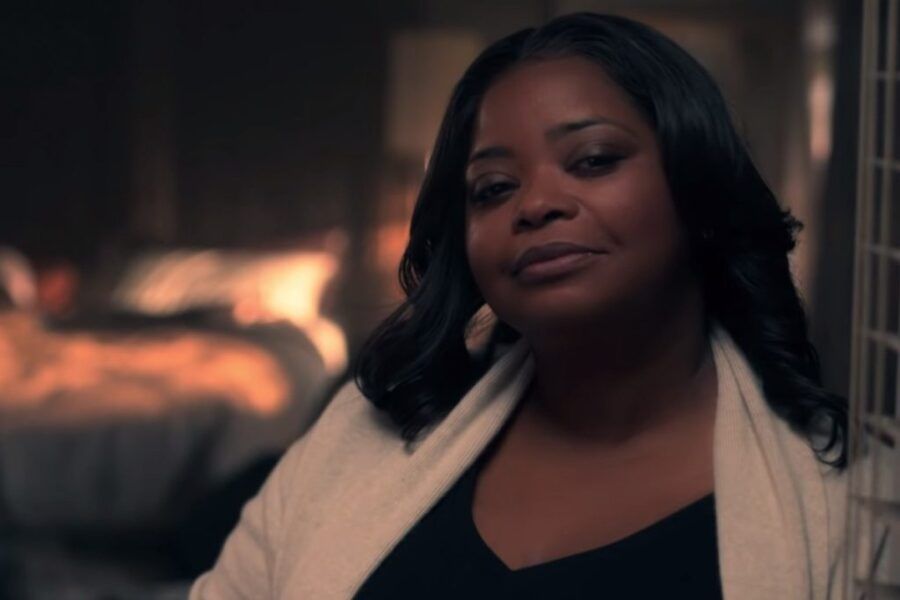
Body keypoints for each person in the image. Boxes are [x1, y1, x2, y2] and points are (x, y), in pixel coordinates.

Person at [190, 12, 848, 599]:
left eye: (593, 159)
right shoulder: (360, 435)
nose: (534, 204)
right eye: (494, 187)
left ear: (695, 181)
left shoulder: (843, 503)